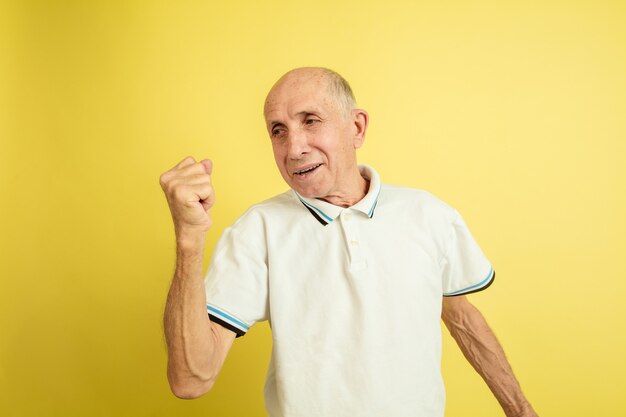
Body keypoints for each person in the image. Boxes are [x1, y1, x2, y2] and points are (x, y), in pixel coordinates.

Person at [159, 67, 538, 417]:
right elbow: (191, 379)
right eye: (278, 130)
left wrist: (521, 410)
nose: (294, 148)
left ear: (356, 127)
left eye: (310, 121)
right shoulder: (257, 230)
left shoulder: (428, 214)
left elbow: (461, 316)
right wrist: (189, 239)